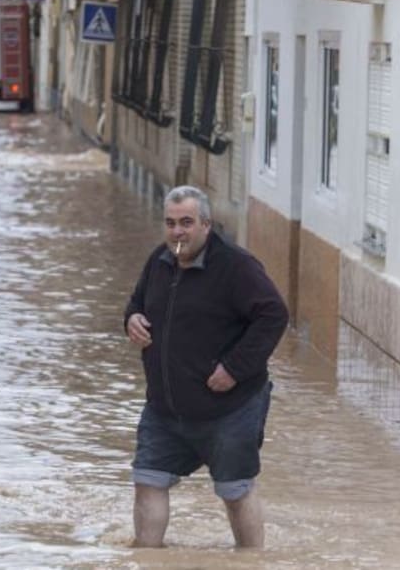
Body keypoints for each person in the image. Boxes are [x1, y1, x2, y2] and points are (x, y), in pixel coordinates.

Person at [123, 185, 289, 549]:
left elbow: (274, 315)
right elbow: (138, 300)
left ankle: (250, 559)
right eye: (170, 223)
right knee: (147, 480)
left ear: (206, 225)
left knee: (235, 489)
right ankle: (147, 558)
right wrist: (132, 318)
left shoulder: (236, 266)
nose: (177, 232)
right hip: (165, 409)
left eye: (186, 222)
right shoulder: (160, 260)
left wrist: (234, 368)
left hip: (230, 409)